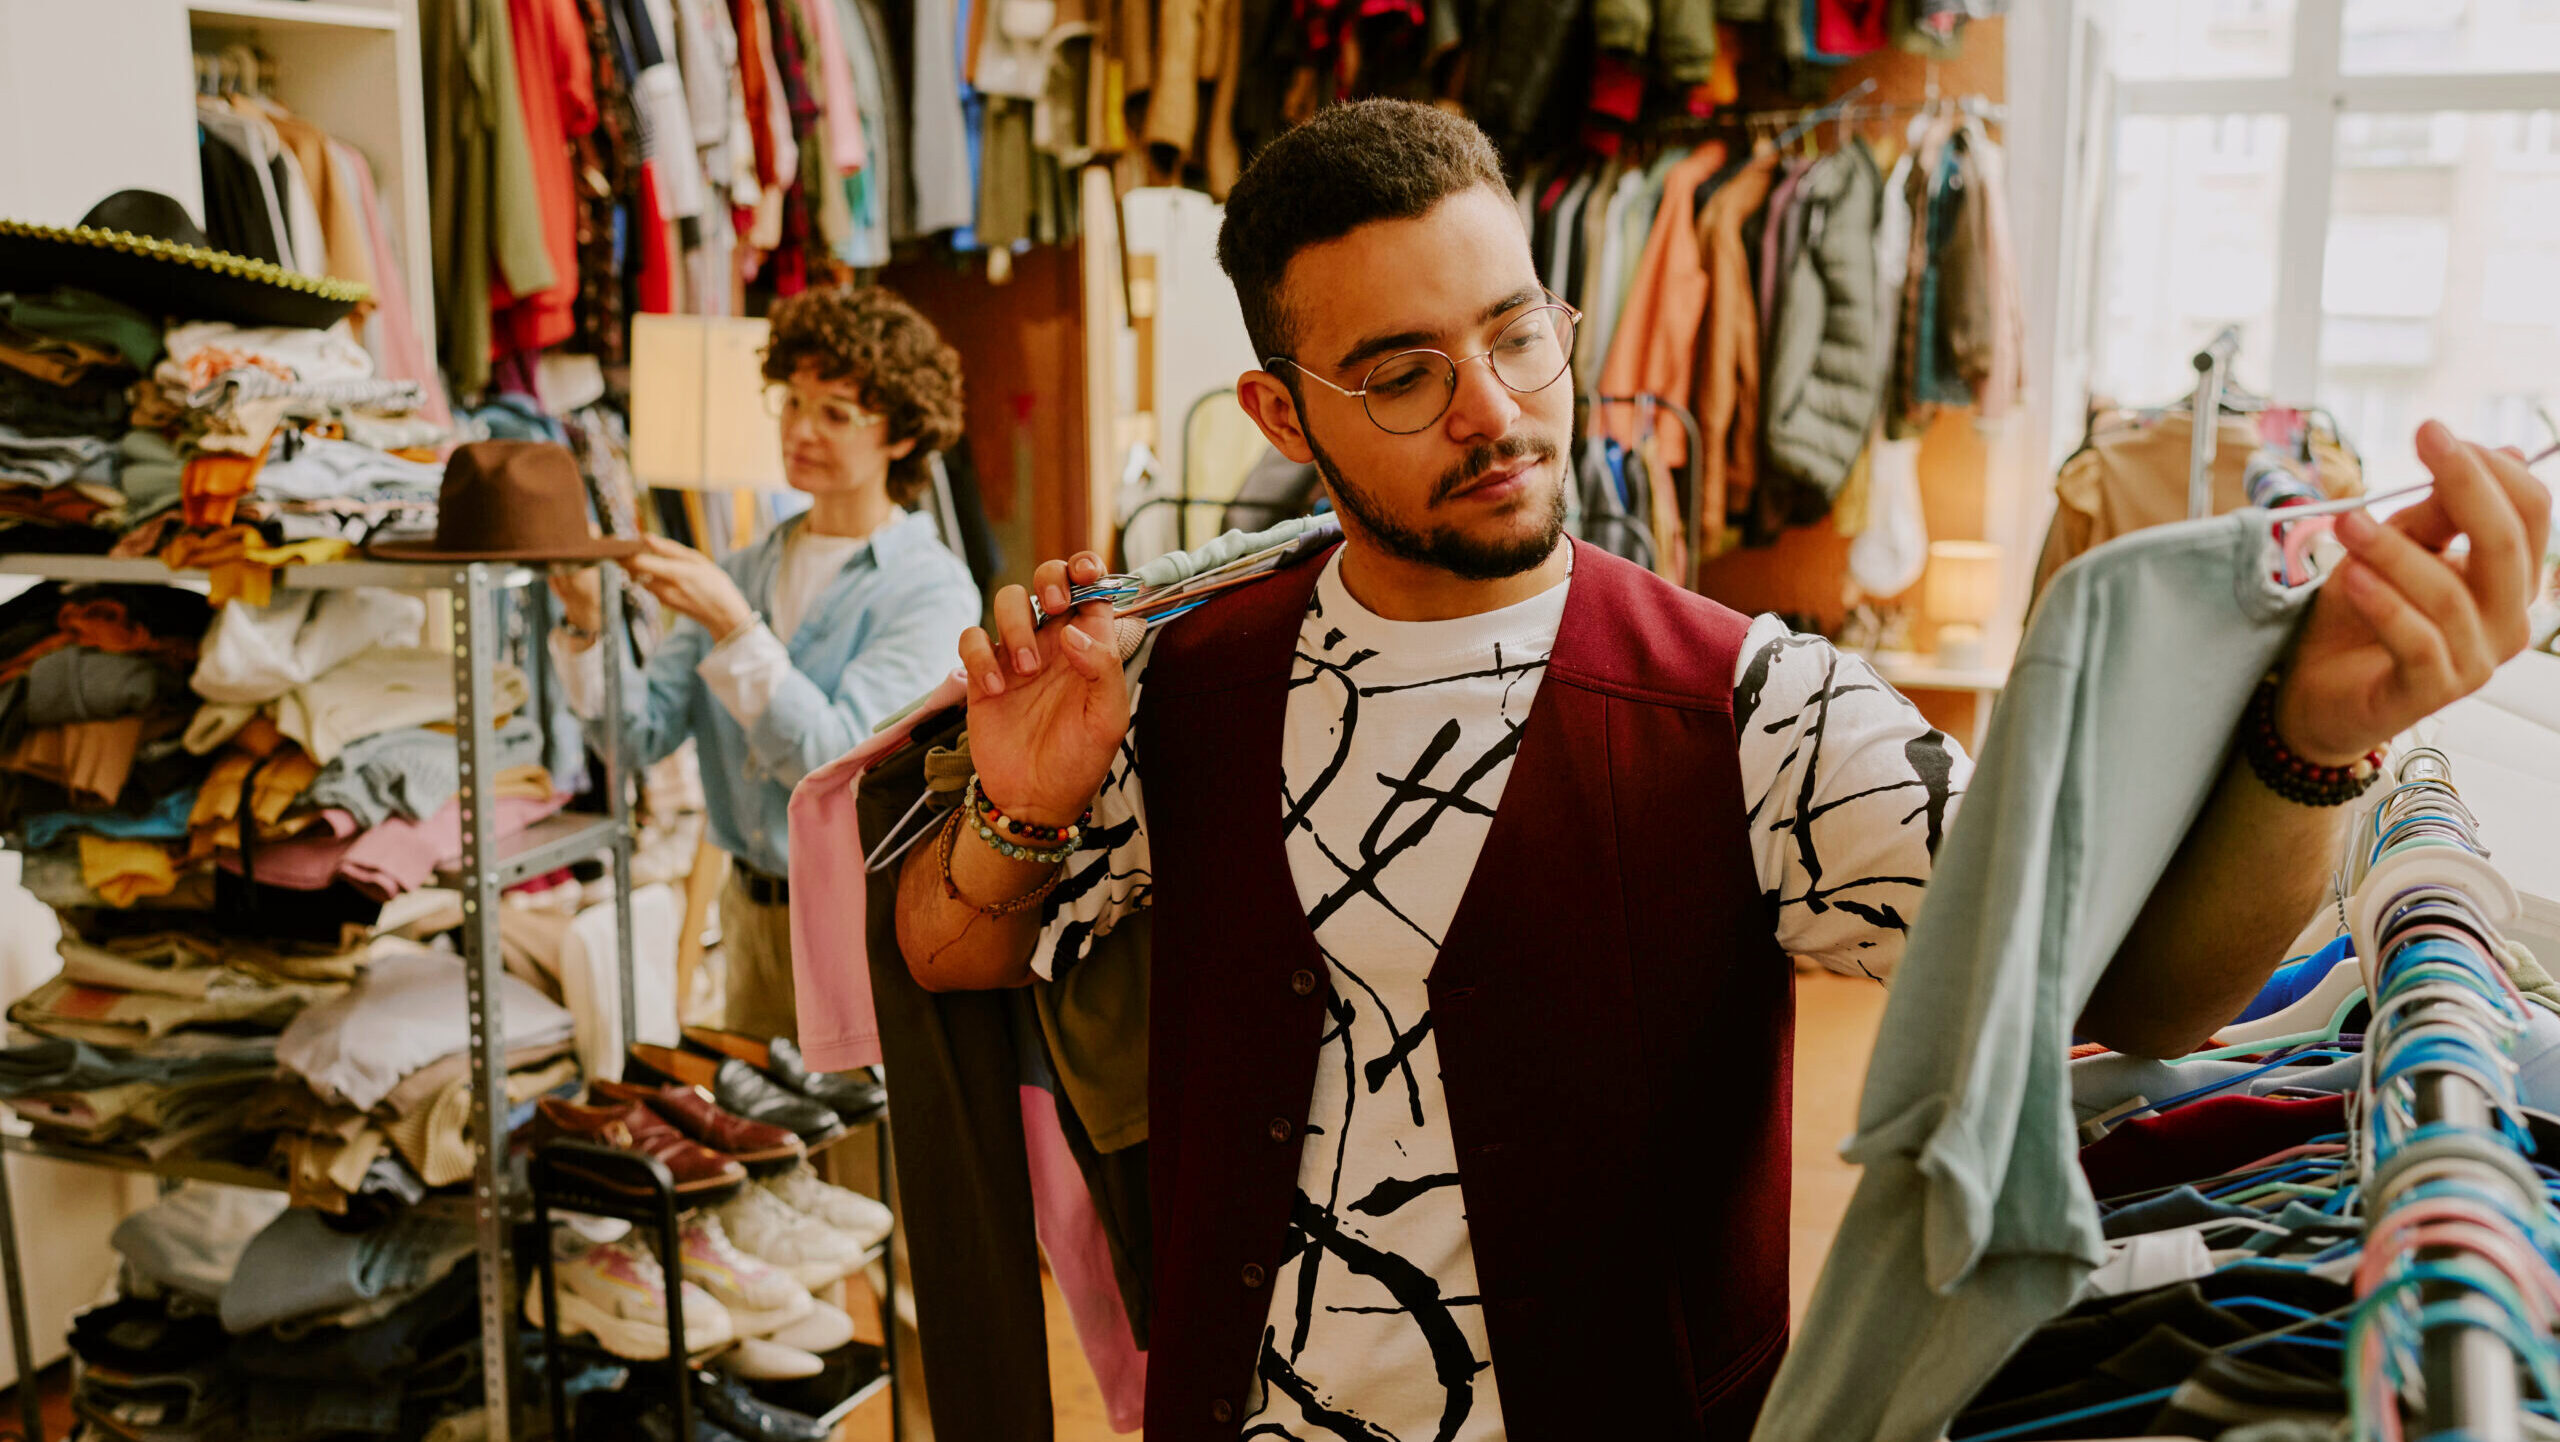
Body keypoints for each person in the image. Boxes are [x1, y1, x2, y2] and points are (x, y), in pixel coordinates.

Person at [892, 102, 2551, 1440]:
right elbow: (947, 950)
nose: (1493, 410)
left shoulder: (1760, 711)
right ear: (1281, 406)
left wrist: (2313, 739)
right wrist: (1023, 795)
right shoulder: (1185, 675)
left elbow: (2134, 994)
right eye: (1401, 374)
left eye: (1516, 335)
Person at [554, 283, 982, 1041]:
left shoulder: (930, 589)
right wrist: (590, 628)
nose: (800, 430)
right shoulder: (745, 568)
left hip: (865, 922)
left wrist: (729, 623)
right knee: (769, 1148)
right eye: (791, 401)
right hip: (749, 923)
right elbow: (635, 740)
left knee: (857, 1155)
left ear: (903, 436)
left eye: (835, 413)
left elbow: (840, 768)